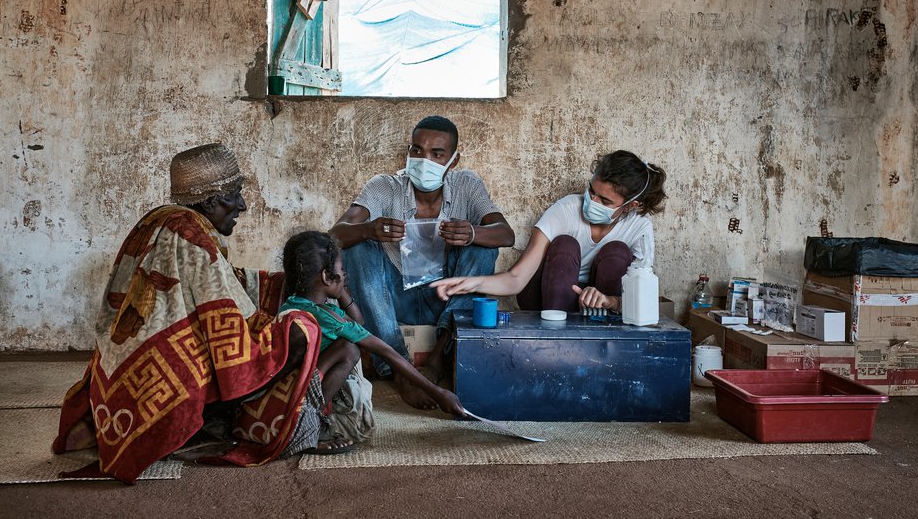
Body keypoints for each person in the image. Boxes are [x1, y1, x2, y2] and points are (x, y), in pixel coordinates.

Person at [53, 143, 354, 483]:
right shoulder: (191, 234)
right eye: (234, 195)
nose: (241, 205)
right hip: (164, 390)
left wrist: (285, 284)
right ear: (211, 201)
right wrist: (298, 309)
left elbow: (222, 288)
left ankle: (213, 420)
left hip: (127, 379)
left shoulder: (159, 220)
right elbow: (225, 315)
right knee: (302, 330)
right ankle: (268, 424)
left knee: (283, 313)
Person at [330, 116, 514, 409]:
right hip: (394, 297)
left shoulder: (467, 184)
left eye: (437, 154)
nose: (424, 159)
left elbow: (506, 234)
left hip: (443, 296)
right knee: (357, 248)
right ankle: (401, 370)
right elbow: (335, 235)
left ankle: (439, 358)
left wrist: (472, 233)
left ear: (453, 160)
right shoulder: (384, 186)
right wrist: (368, 229)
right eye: (417, 150)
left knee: (482, 249)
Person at [434, 150, 667, 314]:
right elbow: (516, 279)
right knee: (565, 244)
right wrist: (472, 283)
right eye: (591, 190)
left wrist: (610, 301)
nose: (592, 200)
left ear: (630, 206)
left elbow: (642, 301)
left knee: (617, 252)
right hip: (546, 293)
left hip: (597, 306)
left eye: (604, 201)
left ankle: (602, 335)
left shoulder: (639, 228)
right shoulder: (566, 209)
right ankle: (556, 340)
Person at [278, 231, 465, 433]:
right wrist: (438, 392)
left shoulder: (297, 306)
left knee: (348, 344)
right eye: (341, 269)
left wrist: (340, 291)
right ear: (326, 276)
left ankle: (310, 415)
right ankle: (313, 421)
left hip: (290, 388)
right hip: (303, 395)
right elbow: (386, 351)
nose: (345, 274)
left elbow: (357, 323)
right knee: (350, 350)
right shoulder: (325, 316)